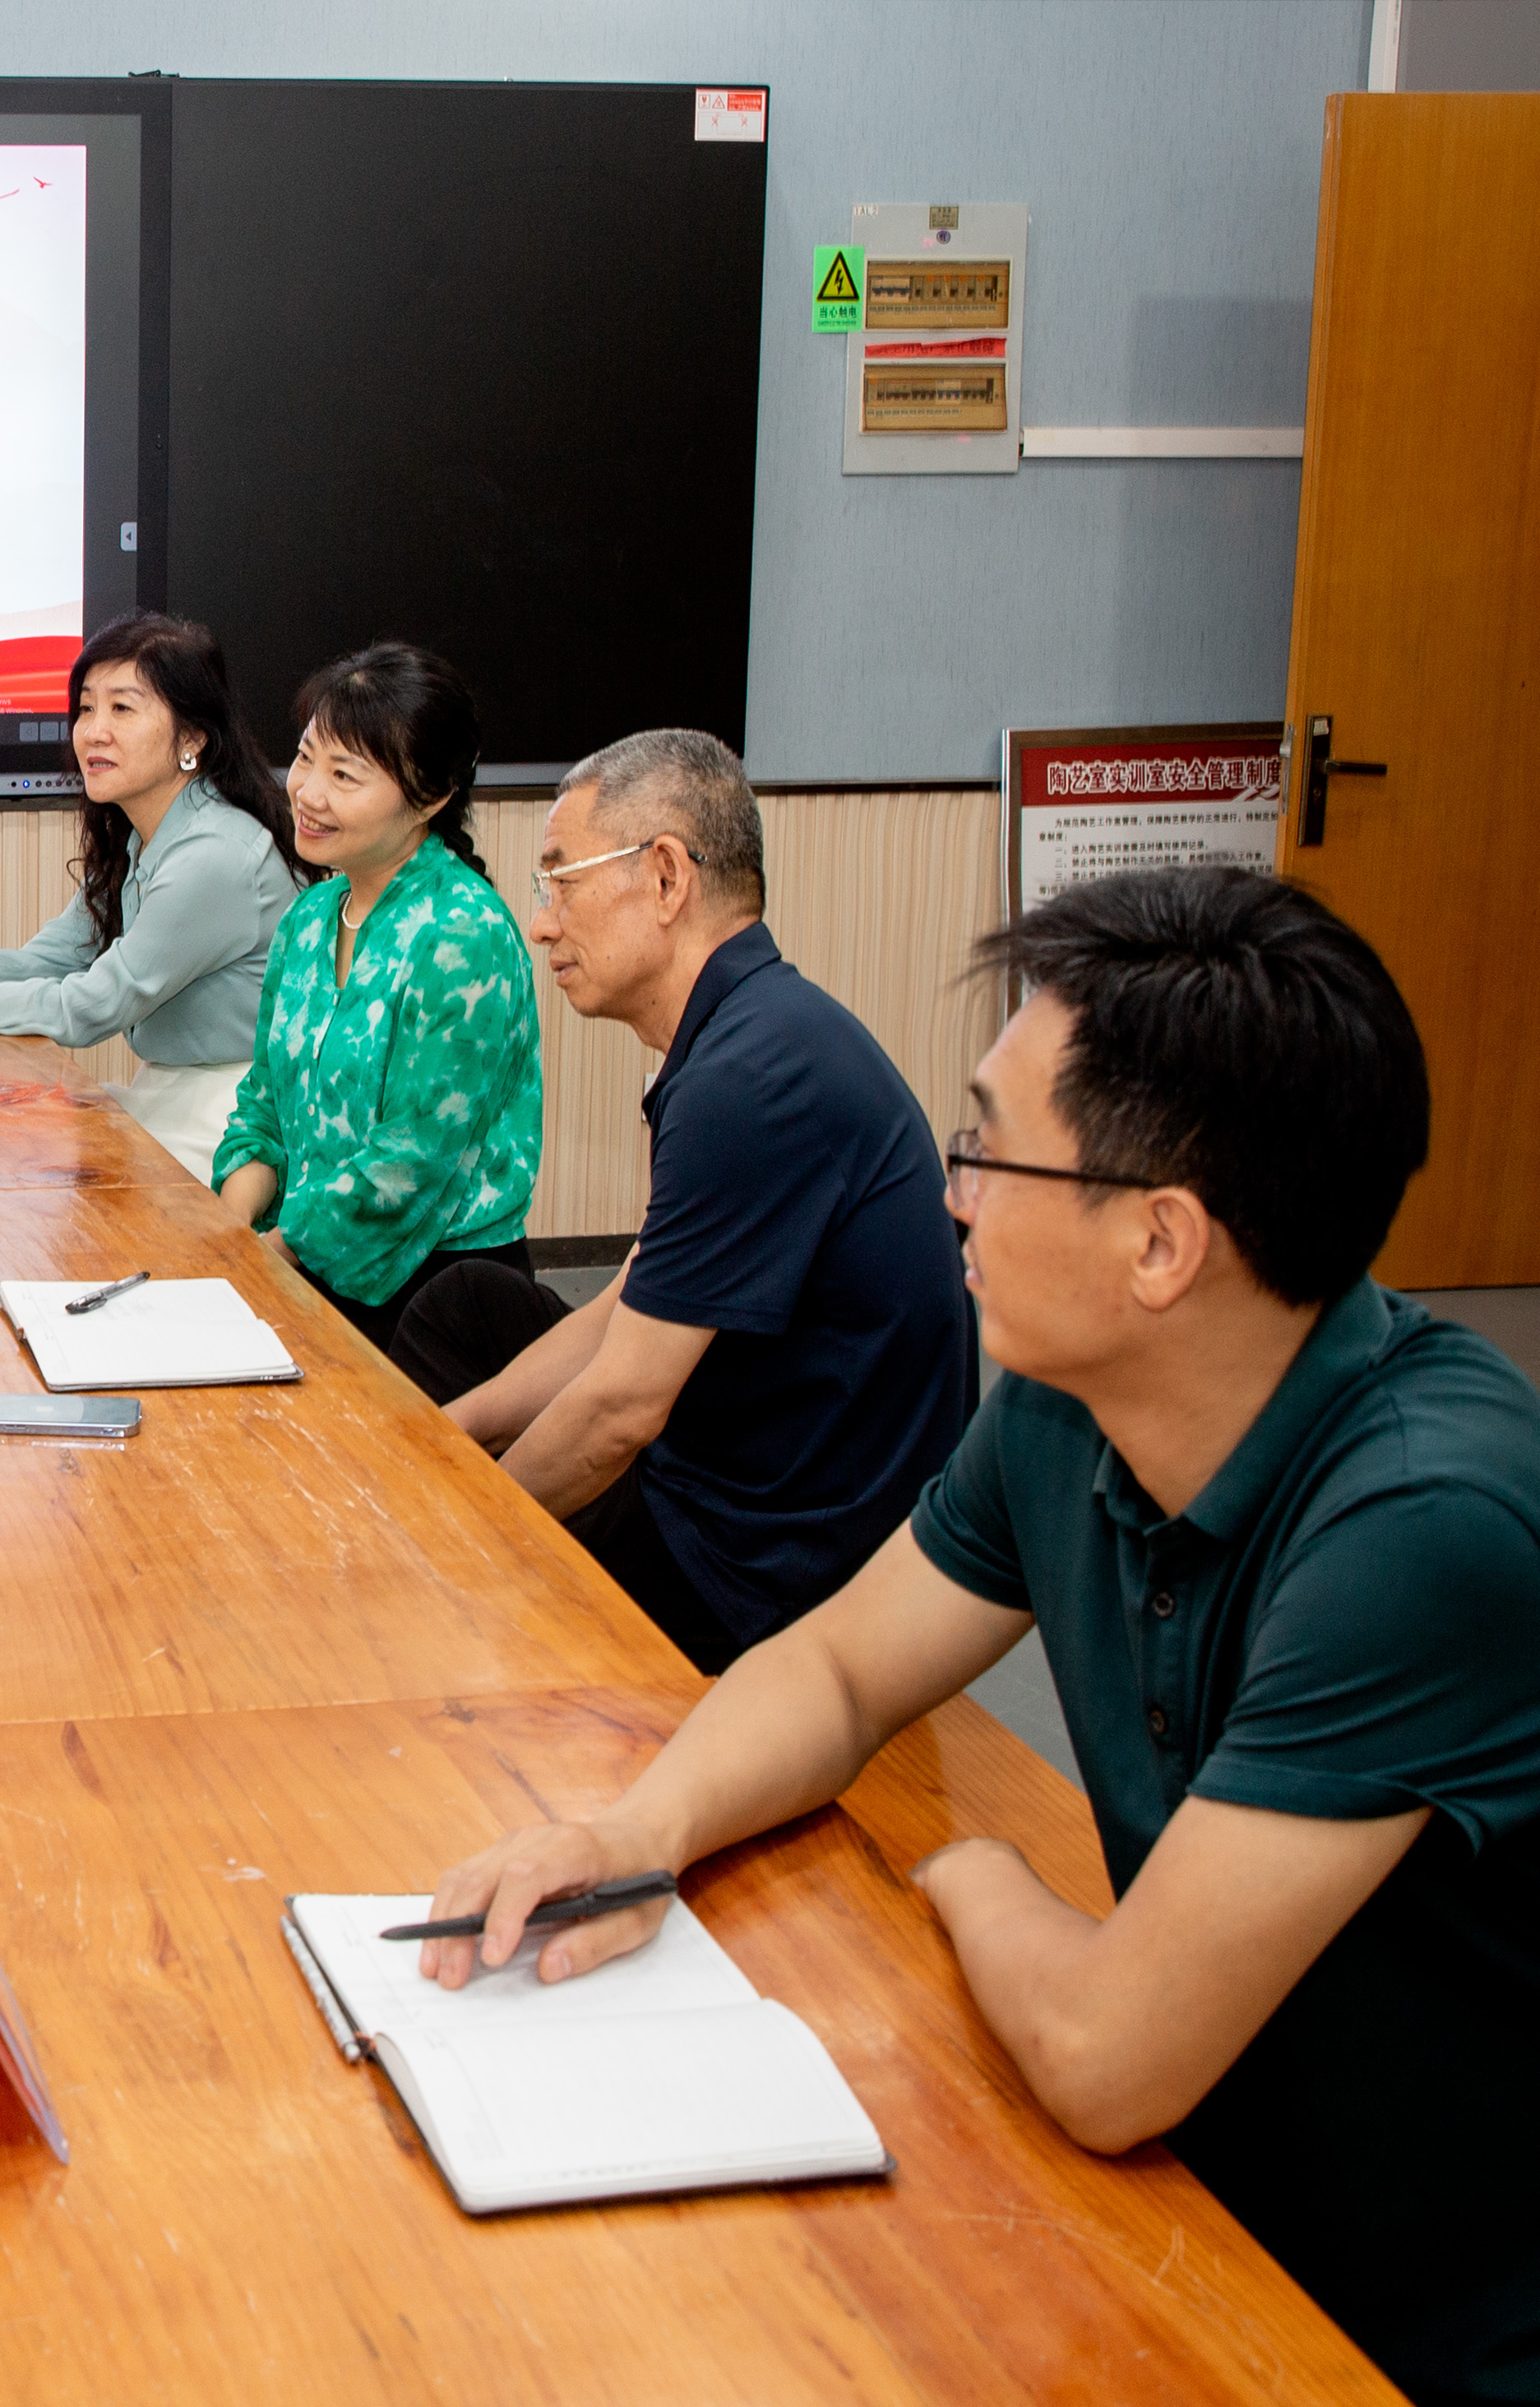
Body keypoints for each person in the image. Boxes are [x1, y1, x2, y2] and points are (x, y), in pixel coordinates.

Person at [416, 867, 1538, 2405]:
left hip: (1404, 2321)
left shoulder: (1418, 1525)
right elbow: (836, 1665)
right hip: (1189, 2197)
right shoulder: (1071, 1400)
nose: (948, 1194)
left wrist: (975, 1872)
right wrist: (634, 1833)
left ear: (1160, 1244)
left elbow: (1103, 2053)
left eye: (988, 1153)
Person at [400, 731, 975, 1670]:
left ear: (666, 878)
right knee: (466, 1307)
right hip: (739, 1454)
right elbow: (630, 1299)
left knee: (447, 1577)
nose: (541, 923)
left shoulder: (744, 1079)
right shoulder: (753, 1028)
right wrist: (441, 1439)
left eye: (560, 882)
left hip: (762, 1562)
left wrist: (455, 1523)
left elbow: (622, 1409)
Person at [0, 613, 309, 1173]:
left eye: (122, 708)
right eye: (86, 708)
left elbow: (89, 1007)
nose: (94, 731)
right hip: (168, 1094)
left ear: (191, 738)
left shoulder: (215, 854)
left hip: (233, 1120)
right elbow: (51, 959)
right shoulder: (143, 834)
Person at [210, 643, 543, 1358]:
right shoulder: (309, 917)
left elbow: (409, 1161)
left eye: (344, 775)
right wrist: (231, 1236)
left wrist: (271, 1255)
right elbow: (264, 1103)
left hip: (436, 1295)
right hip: (301, 1261)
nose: (307, 792)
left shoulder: (463, 933)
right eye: (305, 759)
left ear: (430, 796)